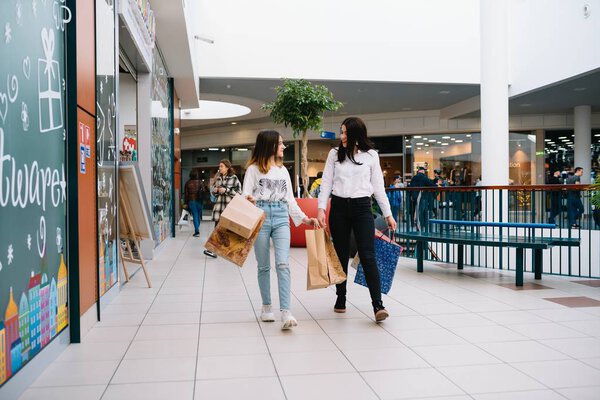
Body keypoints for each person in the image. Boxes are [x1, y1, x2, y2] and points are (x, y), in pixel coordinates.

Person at [317, 117, 397, 322]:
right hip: (339, 208)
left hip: (363, 208)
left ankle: (377, 304)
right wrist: (320, 210)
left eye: (345, 133)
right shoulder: (334, 154)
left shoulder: (371, 156)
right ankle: (341, 297)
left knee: (368, 255)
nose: (342, 136)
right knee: (341, 255)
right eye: (341, 132)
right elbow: (325, 184)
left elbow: (378, 187)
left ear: (355, 134)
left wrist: (388, 214)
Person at [243, 130, 319, 330]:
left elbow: (290, 200)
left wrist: (305, 219)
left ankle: (286, 312)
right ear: (269, 146)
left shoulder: (283, 171)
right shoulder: (253, 170)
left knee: (283, 264)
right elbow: (245, 196)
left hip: (281, 216)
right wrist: (249, 200)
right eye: (280, 143)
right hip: (259, 215)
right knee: (263, 266)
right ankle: (267, 307)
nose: (284, 147)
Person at [204, 159, 242, 258]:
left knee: (228, 230)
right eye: (219, 166)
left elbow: (239, 192)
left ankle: (231, 251)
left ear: (227, 167)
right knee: (217, 228)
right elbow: (214, 193)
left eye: (221, 166)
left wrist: (226, 190)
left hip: (230, 207)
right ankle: (212, 250)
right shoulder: (218, 178)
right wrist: (216, 190)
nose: (219, 168)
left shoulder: (234, 178)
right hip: (219, 206)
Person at [184, 170, 204, 237]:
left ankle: (197, 231)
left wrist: (185, 203)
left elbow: (186, 195)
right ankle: (197, 229)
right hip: (200, 201)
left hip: (191, 201)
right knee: (198, 216)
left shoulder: (187, 183)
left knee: (195, 215)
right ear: (197, 175)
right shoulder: (200, 182)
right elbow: (204, 191)